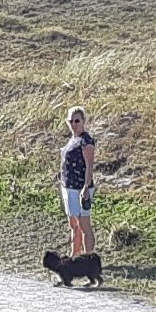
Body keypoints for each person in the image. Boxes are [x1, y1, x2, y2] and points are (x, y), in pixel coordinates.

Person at [59, 105, 96, 255]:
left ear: (83, 121)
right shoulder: (73, 139)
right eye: (71, 121)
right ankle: (75, 256)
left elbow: (89, 165)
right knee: (74, 224)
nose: (74, 124)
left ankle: (89, 258)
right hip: (69, 187)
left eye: (77, 121)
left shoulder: (86, 141)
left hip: (80, 188)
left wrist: (86, 187)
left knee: (84, 225)